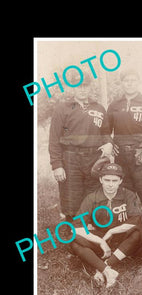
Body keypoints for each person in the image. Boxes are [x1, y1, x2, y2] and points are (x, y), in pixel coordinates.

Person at [49, 73, 113, 222]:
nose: (82, 90)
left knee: (93, 193)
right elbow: (53, 139)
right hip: (71, 157)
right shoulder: (62, 108)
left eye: (86, 86)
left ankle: (92, 228)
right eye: (78, 86)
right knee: (71, 195)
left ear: (90, 87)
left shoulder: (99, 108)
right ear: (72, 88)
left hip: (94, 158)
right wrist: (57, 165)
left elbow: (105, 133)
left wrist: (109, 143)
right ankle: (72, 230)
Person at [70, 162, 142, 288]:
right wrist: (100, 242)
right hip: (102, 238)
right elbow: (76, 227)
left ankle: (107, 264)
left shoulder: (128, 195)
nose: (110, 184)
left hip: (123, 240)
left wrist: (112, 231)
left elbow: (136, 220)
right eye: (107, 180)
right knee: (72, 240)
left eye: (114, 180)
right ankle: (107, 271)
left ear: (120, 181)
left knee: (140, 232)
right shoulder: (92, 198)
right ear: (100, 180)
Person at [106, 68, 142, 208]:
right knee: (124, 195)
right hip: (121, 156)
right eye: (126, 80)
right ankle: (129, 228)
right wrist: (109, 142)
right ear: (122, 83)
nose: (130, 83)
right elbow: (105, 131)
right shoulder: (114, 105)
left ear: (139, 82)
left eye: (133, 80)